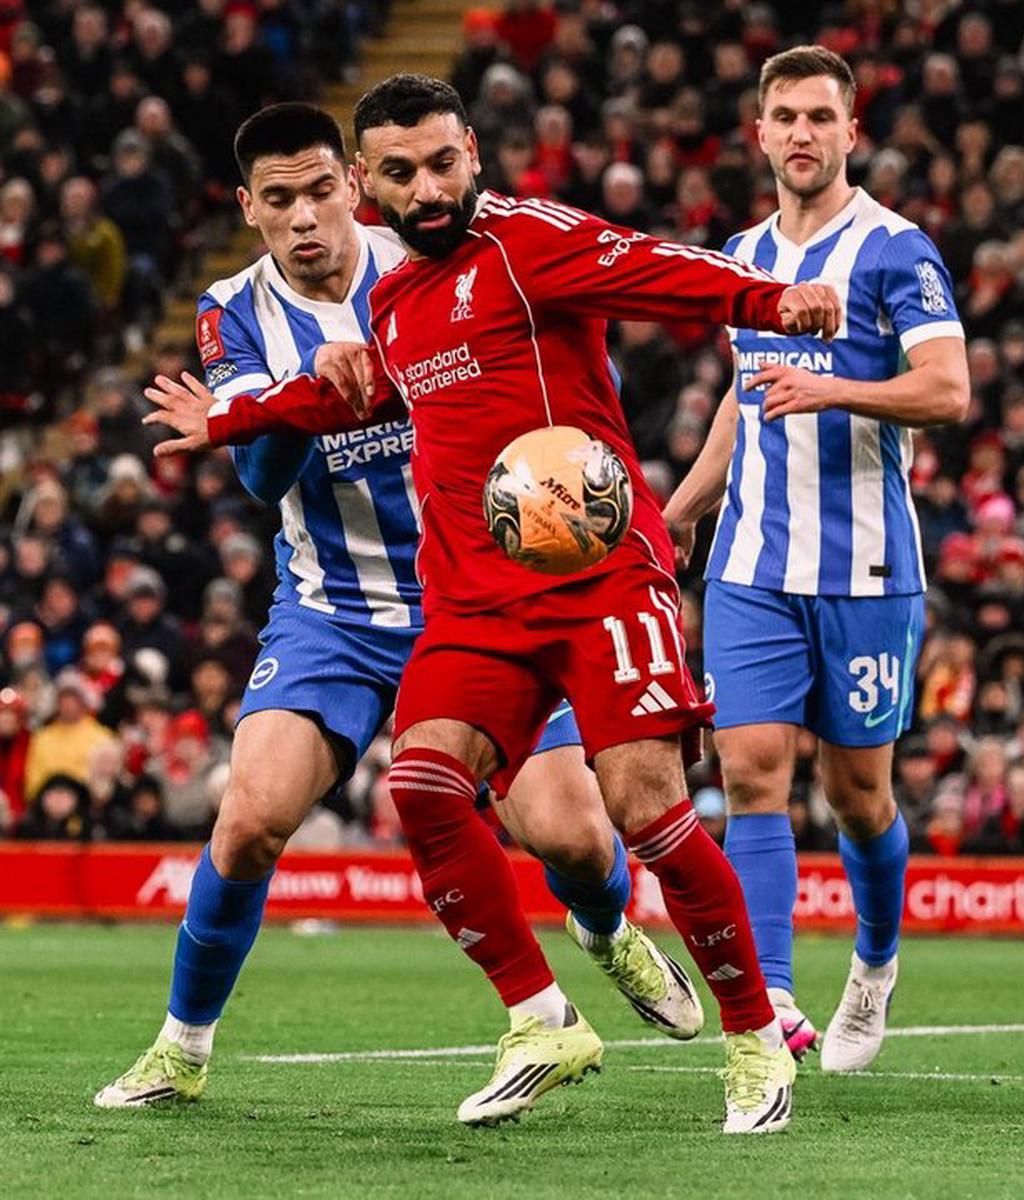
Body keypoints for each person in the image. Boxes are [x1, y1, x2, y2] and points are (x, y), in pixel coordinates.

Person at [141, 75, 836, 1134]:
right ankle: (542, 1020)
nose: (429, 190)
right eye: (404, 174)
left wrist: (767, 297)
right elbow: (330, 393)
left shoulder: (526, 242)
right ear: (373, 185)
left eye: (444, 164)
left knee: (639, 809)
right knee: (419, 786)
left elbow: (655, 268)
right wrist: (227, 424)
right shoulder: (386, 300)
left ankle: (750, 1039)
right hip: (457, 602)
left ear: (470, 151)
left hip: (598, 572)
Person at [663, 46, 969, 1073]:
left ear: (851, 132)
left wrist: (832, 386)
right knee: (752, 775)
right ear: (759, 134)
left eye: (820, 117)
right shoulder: (742, 255)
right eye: (784, 116)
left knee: (859, 796)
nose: (802, 134)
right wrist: (678, 512)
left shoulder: (896, 251)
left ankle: (874, 967)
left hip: (869, 572)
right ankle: (772, 1005)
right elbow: (744, 404)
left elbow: (948, 391)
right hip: (752, 564)